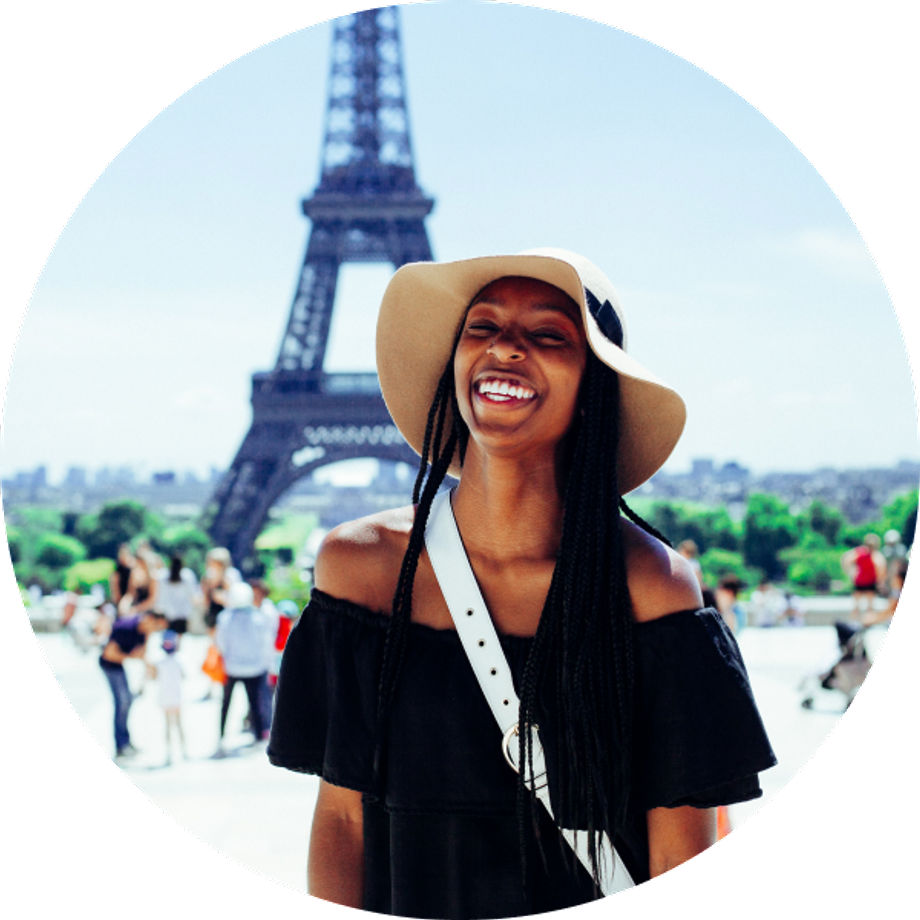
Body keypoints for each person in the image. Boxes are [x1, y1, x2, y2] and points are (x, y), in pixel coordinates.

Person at [268, 249, 776, 917]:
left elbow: (681, 848)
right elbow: (342, 819)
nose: (505, 346)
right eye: (481, 327)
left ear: (594, 388)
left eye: (548, 335)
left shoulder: (653, 587)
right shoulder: (360, 570)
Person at [214, 582, 274, 755]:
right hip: (255, 668)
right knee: (255, 703)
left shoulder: (224, 617)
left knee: (226, 704)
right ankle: (258, 737)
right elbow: (265, 643)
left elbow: (221, 643)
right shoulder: (258, 617)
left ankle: (221, 737)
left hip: (231, 667)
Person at [99, 610, 168, 758]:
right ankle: (121, 745)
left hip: (119, 665)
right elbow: (109, 654)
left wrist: (150, 669)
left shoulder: (144, 632)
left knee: (127, 701)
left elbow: (141, 653)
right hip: (109, 665)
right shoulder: (125, 627)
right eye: (156, 626)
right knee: (123, 702)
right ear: (149, 619)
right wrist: (130, 657)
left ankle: (125, 742)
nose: (156, 631)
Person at [152, 629, 186, 765]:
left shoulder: (159, 661)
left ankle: (170, 752)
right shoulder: (179, 659)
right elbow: (184, 676)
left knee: (169, 725)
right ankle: (182, 750)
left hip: (166, 696)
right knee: (178, 724)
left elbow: (153, 677)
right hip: (175, 695)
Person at [841, 534, 887, 621]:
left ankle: (862, 621)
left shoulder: (862, 553)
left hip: (865, 581)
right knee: (863, 606)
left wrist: (851, 571)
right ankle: (858, 621)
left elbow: (846, 559)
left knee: (865, 606)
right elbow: (881, 567)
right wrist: (851, 572)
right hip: (864, 581)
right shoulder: (869, 554)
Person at [156, 555, 199, 637]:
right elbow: (193, 595)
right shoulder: (187, 576)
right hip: (181, 615)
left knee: (166, 640)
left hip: (166, 614)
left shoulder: (162, 576)